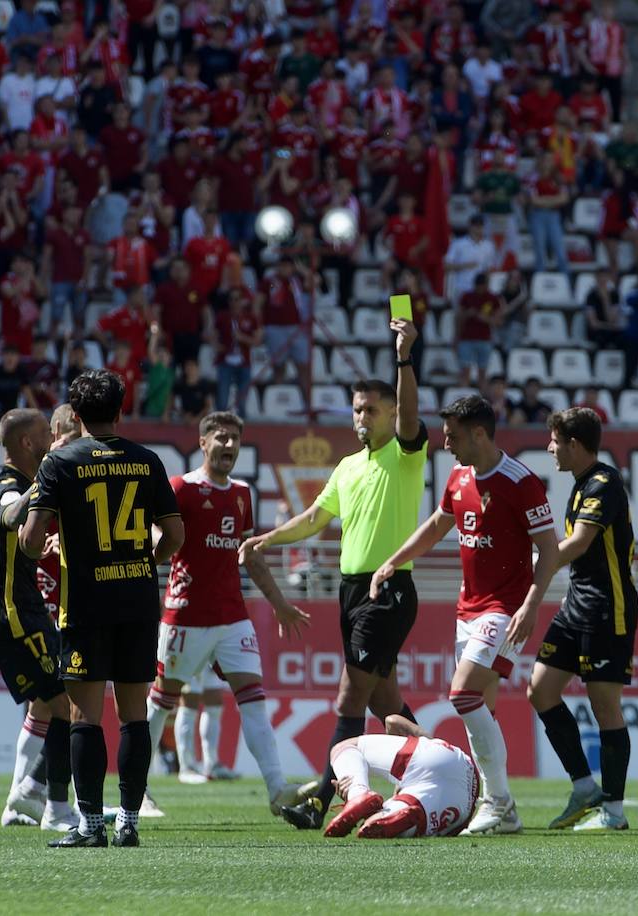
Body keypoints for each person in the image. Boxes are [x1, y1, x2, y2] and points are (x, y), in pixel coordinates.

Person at [241, 319, 425, 831]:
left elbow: (412, 412)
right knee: (388, 703)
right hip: (350, 592)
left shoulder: (405, 453)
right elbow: (315, 519)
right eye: (356, 409)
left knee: (349, 697)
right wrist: (266, 540)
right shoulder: (347, 465)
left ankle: (323, 797)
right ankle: (443, 775)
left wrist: (404, 357)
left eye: (371, 409)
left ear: (391, 412)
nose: (361, 417)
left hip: (386, 589)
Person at [370, 395, 560, 836]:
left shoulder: (521, 481)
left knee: (462, 694)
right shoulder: (457, 477)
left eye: (453, 435)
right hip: (468, 609)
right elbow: (438, 525)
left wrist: (532, 604)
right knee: (482, 712)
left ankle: (500, 802)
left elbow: (549, 549)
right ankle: (490, 804)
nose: (445, 442)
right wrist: (393, 561)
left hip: (506, 608)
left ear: (479, 433)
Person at [20, 370, 185, 848]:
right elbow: (174, 537)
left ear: (77, 413)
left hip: (85, 605)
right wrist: (141, 562)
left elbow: (31, 541)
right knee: (135, 714)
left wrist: (41, 543)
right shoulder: (147, 461)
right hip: (137, 603)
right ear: (120, 410)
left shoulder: (60, 462)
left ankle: (91, 825)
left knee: (84, 716)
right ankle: (129, 821)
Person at [144, 411, 309, 815]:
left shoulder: (242, 493)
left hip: (233, 617)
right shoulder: (180, 488)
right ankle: (138, 788)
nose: (229, 446)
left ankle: (276, 789)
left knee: (253, 698)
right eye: (221, 438)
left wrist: (281, 605)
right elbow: (152, 538)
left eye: (235, 438)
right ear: (203, 443)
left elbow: (248, 557)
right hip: (185, 617)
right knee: (162, 702)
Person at [0, 408, 76, 833]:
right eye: (45, 436)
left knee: (48, 703)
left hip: (14, 611)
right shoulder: (4, 480)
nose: (52, 439)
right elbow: (12, 515)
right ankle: (43, 798)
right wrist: (50, 473)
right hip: (13, 613)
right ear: (29, 444)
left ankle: (31, 803)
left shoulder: (18, 481)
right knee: (68, 702)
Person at [530, 408, 638, 832]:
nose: (549, 448)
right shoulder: (580, 485)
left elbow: (578, 543)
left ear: (574, 443)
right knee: (540, 690)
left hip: (606, 609)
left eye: (554, 441)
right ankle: (583, 786)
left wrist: (538, 564)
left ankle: (613, 811)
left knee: (604, 706)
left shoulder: (604, 482)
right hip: (576, 605)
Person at [322, 714, 480, 839]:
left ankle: (357, 792)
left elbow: (393, 721)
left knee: (343, 747)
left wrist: (352, 792)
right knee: (372, 826)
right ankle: (370, 805)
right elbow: (393, 720)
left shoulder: (410, 783)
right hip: (464, 792)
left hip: (445, 801)